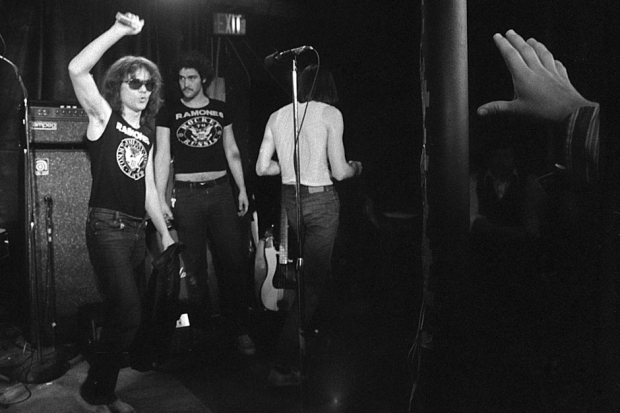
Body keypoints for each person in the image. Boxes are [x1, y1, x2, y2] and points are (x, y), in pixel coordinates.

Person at [477, 30, 619, 410]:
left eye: (510, 154)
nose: (504, 160)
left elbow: (534, 232)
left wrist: (577, 112)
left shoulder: (531, 184)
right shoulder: (481, 183)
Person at [68, 13, 175, 413]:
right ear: (119, 87)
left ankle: (101, 388)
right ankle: (99, 393)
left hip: (136, 231)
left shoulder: (146, 134)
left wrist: (163, 232)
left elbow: (147, 186)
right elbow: (77, 69)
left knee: (124, 316)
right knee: (127, 314)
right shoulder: (103, 118)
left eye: (149, 84)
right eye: (136, 82)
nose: (144, 89)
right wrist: (120, 31)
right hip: (107, 228)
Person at [255, 64, 363, 386]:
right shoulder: (331, 114)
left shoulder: (276, 116)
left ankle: (307, 343)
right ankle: (283, 365)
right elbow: (340, 171)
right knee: (311, 284)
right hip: (321, 201)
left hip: (290, 201)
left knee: (311, 276)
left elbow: (262, 167)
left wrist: (286, 167)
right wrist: (358, 168)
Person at [154, 51, 255, 356]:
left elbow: (232, 150)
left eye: (192, 77)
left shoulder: (221, 109)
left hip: (221, 191)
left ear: (204, 79)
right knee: (195, 270)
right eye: (182, 78)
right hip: (187, 195)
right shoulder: (167, 112)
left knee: (233, 264)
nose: (185, 83)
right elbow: (161, 157)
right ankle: (201, 333)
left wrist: (242, 189)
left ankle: (238, 330)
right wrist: (160, 199)